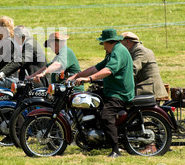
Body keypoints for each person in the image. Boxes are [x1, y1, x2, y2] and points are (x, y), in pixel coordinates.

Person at [68, 29, 135, 158]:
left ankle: (116, 150)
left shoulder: (118, 52)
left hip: (120, 93)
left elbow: (108, 71)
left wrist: (89, 79)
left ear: (108, 42)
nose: (102, 46)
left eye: (103, 43)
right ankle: (91, 140)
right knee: (88, 99)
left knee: (106, 116)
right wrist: (76, 75)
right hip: (110, 91)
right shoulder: (112, 52)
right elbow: (96, 68)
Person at [121, 31, 168, 99]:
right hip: (144, 87)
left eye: (121, 43)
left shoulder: (140, 51)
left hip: (148, 89)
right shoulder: (133, 51)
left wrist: (118, 78)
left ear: (128, 42)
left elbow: (133, 69)